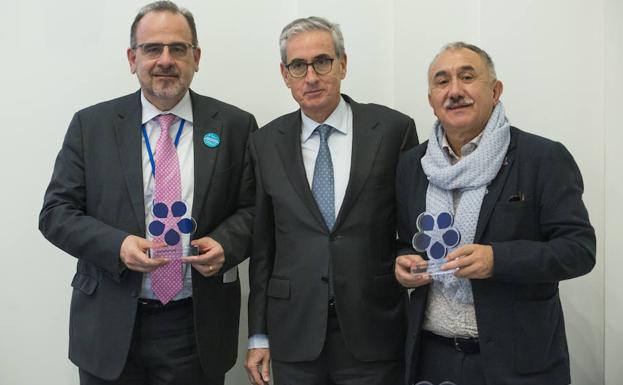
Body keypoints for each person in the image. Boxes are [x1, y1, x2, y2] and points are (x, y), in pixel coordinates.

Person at [39, 2, 257, 384]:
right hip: (108, 321)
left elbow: (255, 208)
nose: (165, 60)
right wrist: (118, 245)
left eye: (178, 48)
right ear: (132, 57)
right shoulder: (92, 126)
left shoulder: (236, 126)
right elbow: (56, 213)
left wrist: (228, 243)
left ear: (197, 57)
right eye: (152, 48)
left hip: (196, 325)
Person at [394, 42, 596, 385]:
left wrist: (497, 259)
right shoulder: (413, 164)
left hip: (516, 363)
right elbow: (404, 241)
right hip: (431, 357)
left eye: (467, 77)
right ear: (431, 99)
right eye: (442, 82)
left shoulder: (541, 158)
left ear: (495, 90)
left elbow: (579, 251)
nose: (454, 91)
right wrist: (403, 263)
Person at [244, 16, 418, 385]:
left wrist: (408, 259)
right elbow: (263, 248)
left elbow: (411, 226)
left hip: (373, 328)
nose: (311, 77)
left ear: (343, 63)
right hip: (294, 331)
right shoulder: (265, 142)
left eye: (322, 61)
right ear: (284, 73)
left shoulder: (392, 130)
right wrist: (258, 334)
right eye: (298, 66)